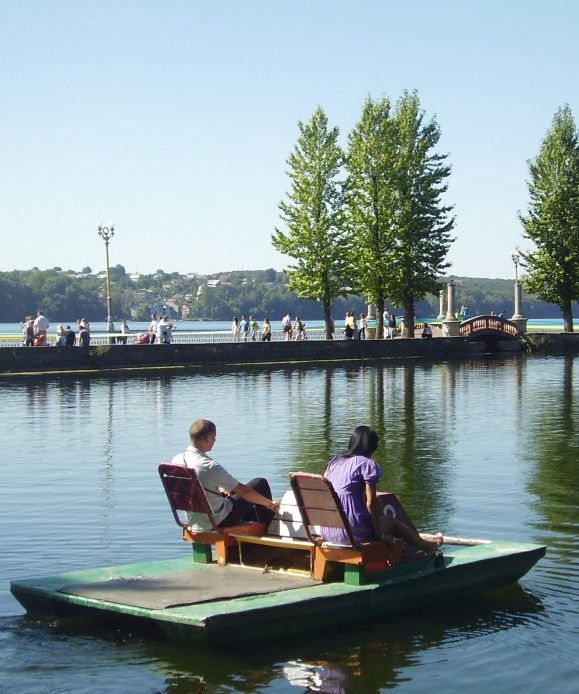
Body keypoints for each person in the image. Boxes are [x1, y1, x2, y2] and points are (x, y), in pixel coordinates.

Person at [323, 425, 440, 555]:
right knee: (389, 521)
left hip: (329, 531)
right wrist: (379, 534)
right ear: (372, 447)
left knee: (379, 503)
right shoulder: (367, 464)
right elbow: (370, 503)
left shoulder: (335, 462)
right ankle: (426, 547)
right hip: (352, 534)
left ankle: (391, 549)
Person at [172, 419, 280, 530]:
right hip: (217, 521)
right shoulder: (208, 465)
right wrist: (269, 503)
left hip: (194, 520)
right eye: (214, 436)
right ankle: (267, 529)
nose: (215, 440)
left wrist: (219, 491)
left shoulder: (177, 460)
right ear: (207, 439)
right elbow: (243, 491)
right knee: (260, 483)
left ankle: (252, 533)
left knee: (234, 493)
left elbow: (195, 487)